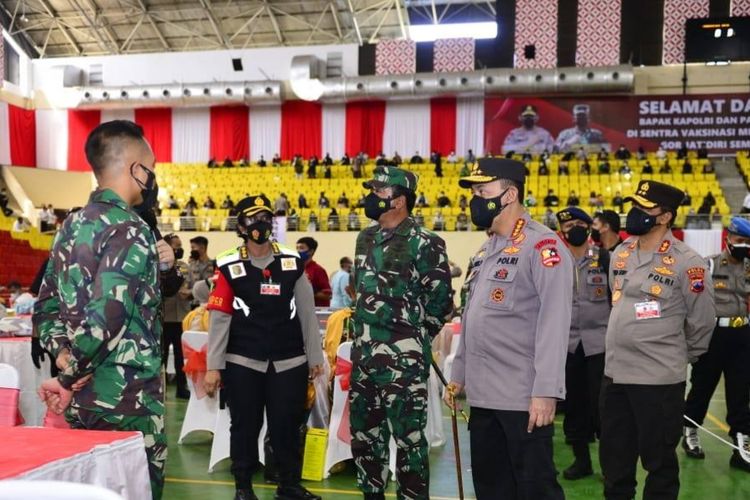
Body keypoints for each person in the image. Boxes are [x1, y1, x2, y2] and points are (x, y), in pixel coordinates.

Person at [34, 120, 173, 499]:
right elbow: (107, 319)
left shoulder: (69, 226)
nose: (152, 177)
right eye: (151, 166)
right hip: (128, 402)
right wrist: (69, 375)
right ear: (136, 169)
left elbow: (45, 307)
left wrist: (64, 360)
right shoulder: (130, 229)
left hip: (80, 404)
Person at [446, 158, 572, 499]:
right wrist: (459, 373)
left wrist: (546, 391)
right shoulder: (486, 250)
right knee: (491, 488)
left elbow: (555, 324)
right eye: (473, 191)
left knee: (534, 489)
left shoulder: (543, 247)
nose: (474, 198)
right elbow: (472, 316)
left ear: (510, 194)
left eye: (482, 191)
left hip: (523, 399)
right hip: (484, 397)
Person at [599, 180, 715, 500]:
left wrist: (676, 356)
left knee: (660, 465)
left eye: (643, 208)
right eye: (633, 206)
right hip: (616, 376)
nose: (634, 213)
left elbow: (701, 322)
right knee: (615, 463)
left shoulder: (688, 262)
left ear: (664, 217)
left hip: (658, 381)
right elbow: (618, 302)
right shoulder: (621, 252)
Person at [203, 195, 324, 500]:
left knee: (287, 426)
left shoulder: (292, 263)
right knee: (244, 426)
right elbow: (220, 318)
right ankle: (243, 487)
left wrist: (315, 357)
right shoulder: (229, 264)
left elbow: (308, 313)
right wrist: (213, 367)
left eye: (266, 218)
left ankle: (289, 485)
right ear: (241, 225)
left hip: (289, 361)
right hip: (244, 361)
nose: (261, 224)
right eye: (253, 218)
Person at [351, 166, 452, 499]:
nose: (370, 197)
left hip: (403, 366)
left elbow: (440, 304)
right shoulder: (364, 238)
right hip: (364, 360)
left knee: (409, 443)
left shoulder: (427, 243)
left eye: (378, 191)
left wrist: (410, 341)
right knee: (365, 440)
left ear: (399, 199)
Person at [682, 217, 750, 471]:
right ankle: (690, 431)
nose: (744, 246)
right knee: (702, 387)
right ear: (729, 238)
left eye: (748, 242)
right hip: (713, 336)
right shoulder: (708, 265)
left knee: (740, 393)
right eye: (740, 241)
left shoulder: (749, 267)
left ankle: (741, 445)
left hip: (742, 335)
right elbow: (692, 302)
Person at [556, 207, 610, 480]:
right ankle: (582, 461)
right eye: (568, 225)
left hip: (600, 345)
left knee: (604, 408)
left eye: (579, 223)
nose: (573, 229)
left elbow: (617, 300)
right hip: (567, 346)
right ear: (561, 231)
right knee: (574, 407)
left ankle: (610, 464)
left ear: (589, 228)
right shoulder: (555, 261)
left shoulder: (604, 258)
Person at [162, 234, 191, 399]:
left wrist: (190, 293)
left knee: (181, 357)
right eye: (175, 246)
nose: (179, 249)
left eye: (180, 245)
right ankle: (162, 388)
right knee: (163, 356)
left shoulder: (184, 266)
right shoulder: (160, 268)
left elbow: (193, 287)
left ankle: (182, 387)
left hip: (182, 318)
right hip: (166, 318)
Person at [296, 237, 331, 307]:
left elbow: (328, 295)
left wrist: (310, 292)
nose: (298, 251)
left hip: (314, 312)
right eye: (297, 248)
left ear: (311, 251)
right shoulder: (295, 269)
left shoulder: (318, 270)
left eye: (302, 248)